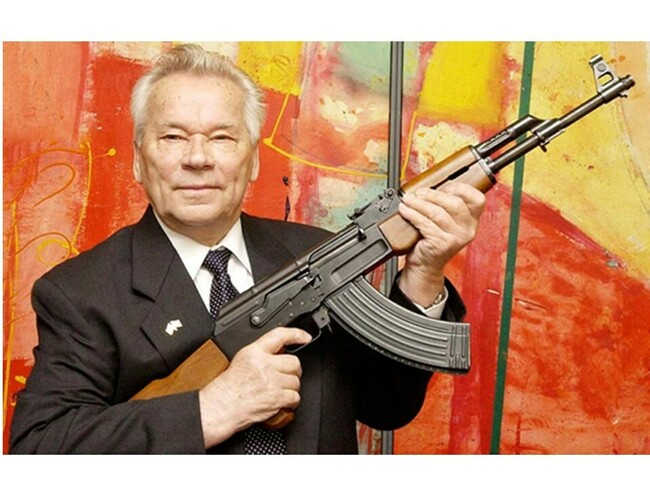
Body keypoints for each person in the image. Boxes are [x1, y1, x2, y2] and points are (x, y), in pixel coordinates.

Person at [9, 43, 485, 454]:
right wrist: (211, 409)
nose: (198, 158)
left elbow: (387, 406)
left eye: (222, 137)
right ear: (138, 159)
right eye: (173, 137)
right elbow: (39, 448)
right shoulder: (79, 292)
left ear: (253, 159)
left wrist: (423, 272)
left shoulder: (317, 253)